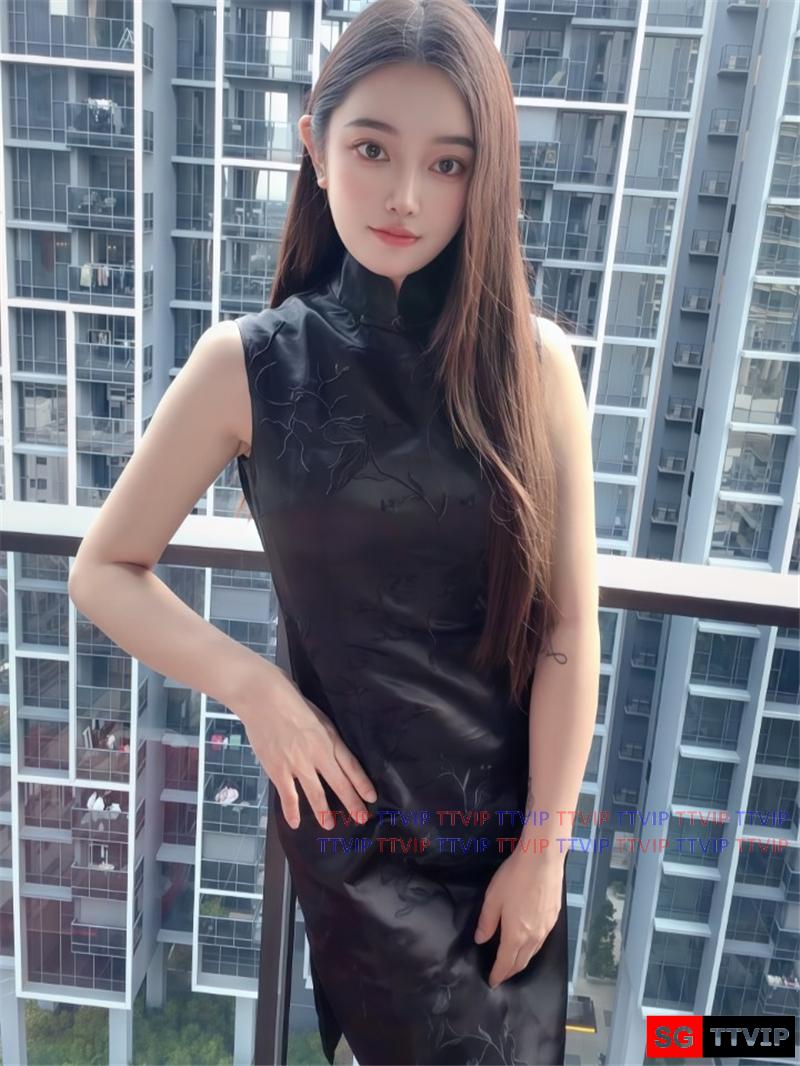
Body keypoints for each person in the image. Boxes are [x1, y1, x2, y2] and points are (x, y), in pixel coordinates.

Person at [68, 1, 600, 1062]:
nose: (406, 196)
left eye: (448, 165)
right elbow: (105, 569)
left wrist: (544, 850)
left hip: (506, 836)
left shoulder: (534, 365)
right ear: (314, 148)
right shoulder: (247, 365)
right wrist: (257, 691)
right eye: (371, 149)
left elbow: (567, 629)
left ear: (485, 180)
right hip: (353, 832)